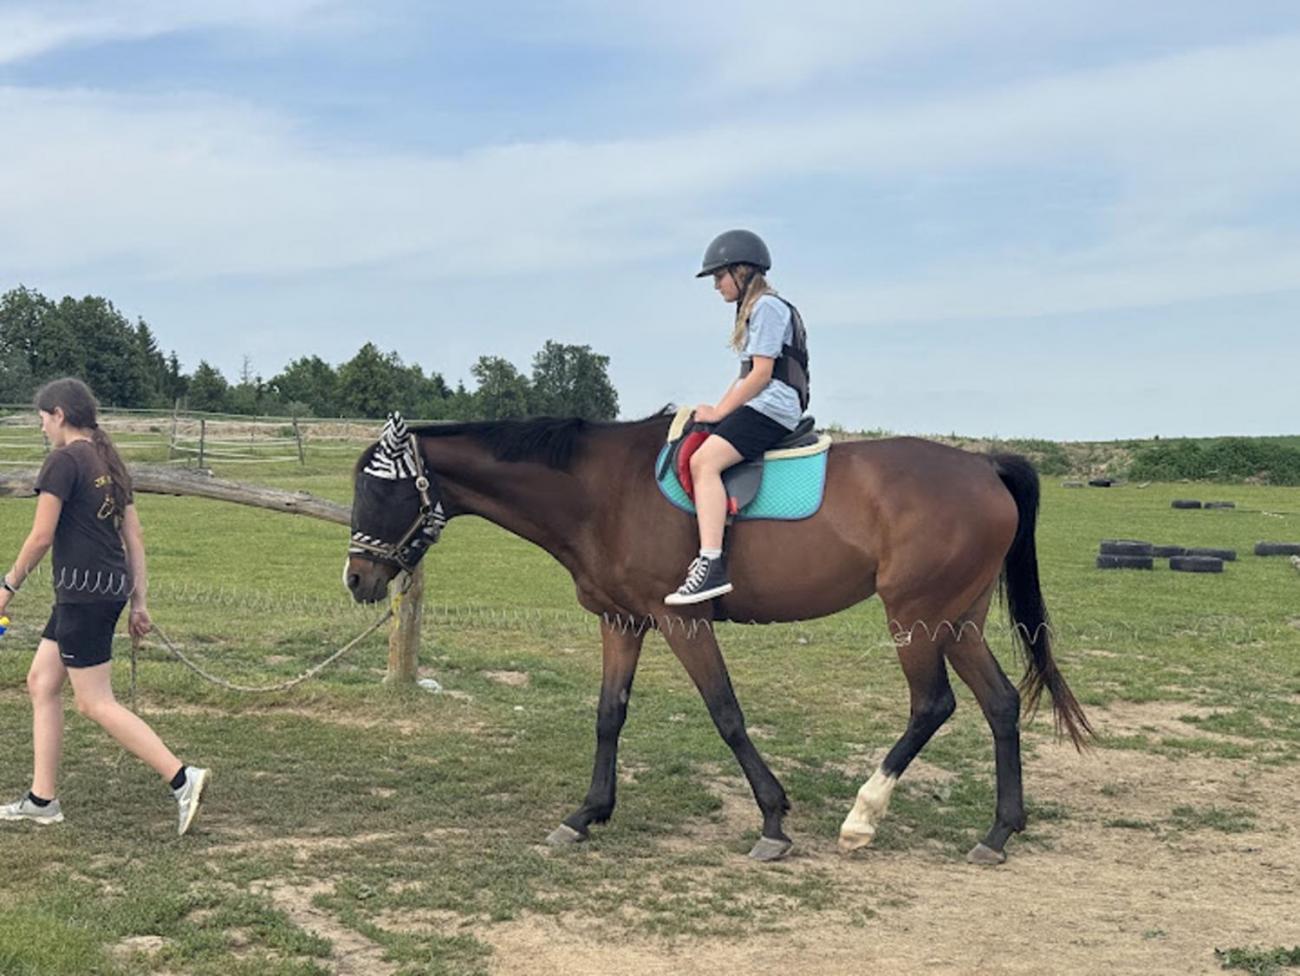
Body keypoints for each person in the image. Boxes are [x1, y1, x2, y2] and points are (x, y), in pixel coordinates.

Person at [0, 377, 210, 835]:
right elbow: (132, 537)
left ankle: (181, 778)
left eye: (41, 420)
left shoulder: (63, 461)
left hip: (83, 595)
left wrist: (7, 586)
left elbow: (40, 536)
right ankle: (42, 800)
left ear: (58, 413)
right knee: (40, 681)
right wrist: (139, 601)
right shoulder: (107, 459)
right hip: (102, 590)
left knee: (95, 703)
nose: (41, 429)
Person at [664, 229, 810, 606]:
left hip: (773, 407)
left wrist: (721, 411)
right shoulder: (758, 311)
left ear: (742, 272)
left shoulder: (766, 308)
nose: (716, 286)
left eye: (719, 276)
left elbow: (761, 375)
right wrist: (716, 410)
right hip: (764, 403)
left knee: (703, 462)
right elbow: (745, 377)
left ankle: (711, 562)